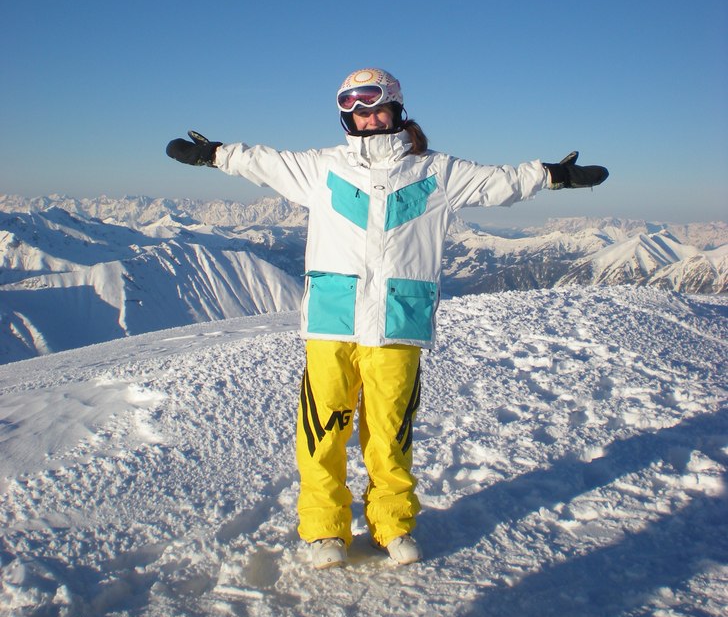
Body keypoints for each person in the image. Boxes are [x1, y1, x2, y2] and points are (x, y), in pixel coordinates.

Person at [166, 67, 608, 569]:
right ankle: (324, 529)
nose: (366, 117)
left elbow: (499, 183)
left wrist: (553, 174)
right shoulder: (323, 168)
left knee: (389, 429)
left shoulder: (436, 172)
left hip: (398, 319)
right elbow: (264, 162)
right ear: (344, 118)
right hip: (333, 318)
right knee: (323, 428)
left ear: (397, 108)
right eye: (353, 110)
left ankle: (392, 525)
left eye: (374, 106)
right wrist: (215, 153)